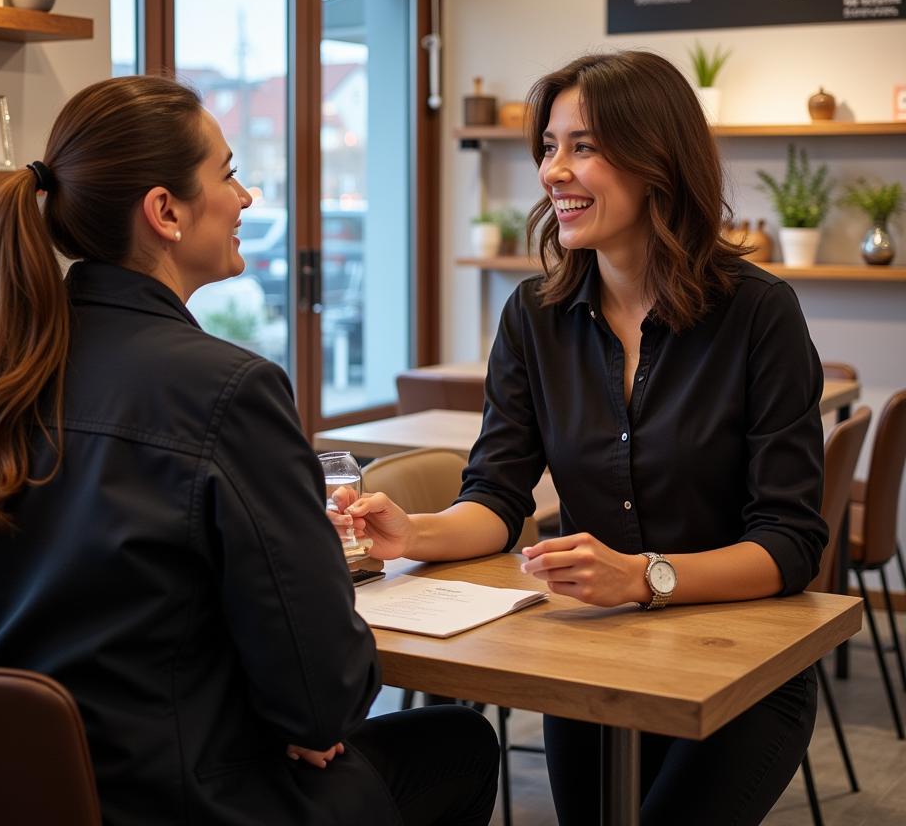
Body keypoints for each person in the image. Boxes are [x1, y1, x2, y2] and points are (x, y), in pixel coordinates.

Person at [0, 76, 498, 826]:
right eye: (230, 173)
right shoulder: (226, 391)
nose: (245, 199)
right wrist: (298, 719)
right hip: (175, 800)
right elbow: (322, 697)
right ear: (165, 212)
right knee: (458, 745)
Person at [340, 51, 828, 825]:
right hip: (590, 653)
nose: (552, 172)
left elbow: (791, 541)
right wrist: (414, 532)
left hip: (746, 666)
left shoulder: (758, 314)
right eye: (548, 147)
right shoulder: (533, 315)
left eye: (584, 147)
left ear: (657, 158)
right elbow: (499, 497)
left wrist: (644, 578)